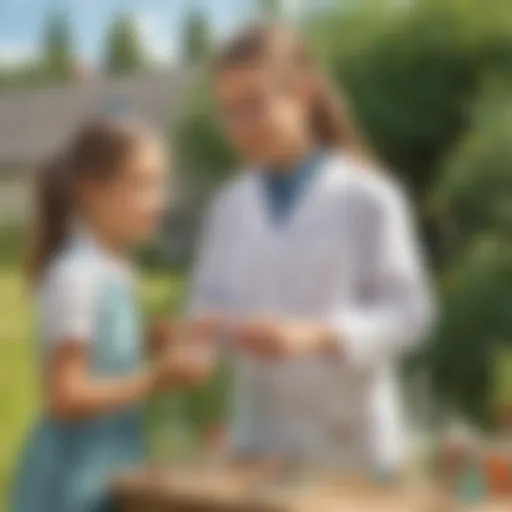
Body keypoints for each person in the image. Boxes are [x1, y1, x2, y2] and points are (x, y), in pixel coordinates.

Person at [189, 23, 434, 476]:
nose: (240, 127)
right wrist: (208, 332)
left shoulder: (369, 196)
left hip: (352, 446)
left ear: (304, 93)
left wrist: (317, 336)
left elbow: (410, 313)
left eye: (254, 105)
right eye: (228, 112)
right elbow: (206, 302)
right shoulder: (229, 206)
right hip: (259, 444)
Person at [11, 118, 213, 512]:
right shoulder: (77, 274)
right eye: (140, 184)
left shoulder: (118, 269)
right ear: (90, 191)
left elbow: (97, 357)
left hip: (111, 467)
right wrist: (157, 378)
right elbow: (64, 395)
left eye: (160, 184)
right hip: (70, 481)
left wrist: (145, 341)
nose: (158, 200)